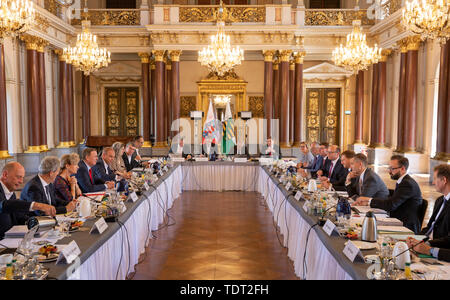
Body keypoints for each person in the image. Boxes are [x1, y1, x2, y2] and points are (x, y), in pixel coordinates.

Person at [352, 155, 423, 234]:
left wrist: (369, 200)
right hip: (398, 219)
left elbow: (391, 205)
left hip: (406, 225)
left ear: (402, 169)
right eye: (389, 168)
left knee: (368, 229)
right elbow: (391, 202)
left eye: (392, 169)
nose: (389, 171)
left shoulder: (407, 184)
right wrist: (369, 202)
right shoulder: (403, 181)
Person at [0, 162, 55, 238]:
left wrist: (42, 223)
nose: (21, 181)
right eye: (18, 177)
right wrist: (36, 205)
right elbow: (4, 205)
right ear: (5, 175)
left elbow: (19, 217)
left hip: (11, 239)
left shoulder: (11, 193)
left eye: (22, 177)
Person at [420, 164, 450, 242]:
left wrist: (429, 245)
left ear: (444, 180)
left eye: (435, 179)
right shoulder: (439, 200)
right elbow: (430, 227)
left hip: (437, 247)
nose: (433, 182)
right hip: (427, 241)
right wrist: (415, 238)